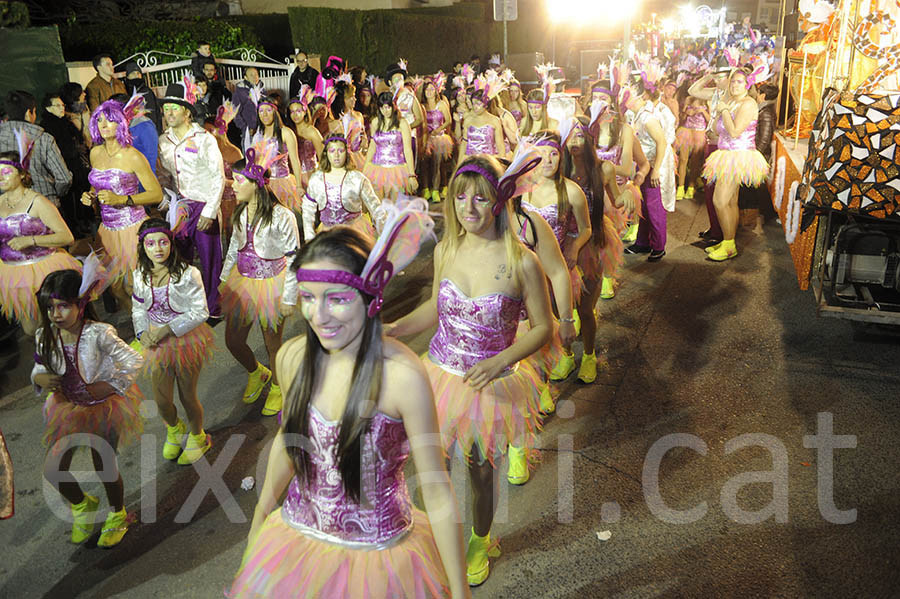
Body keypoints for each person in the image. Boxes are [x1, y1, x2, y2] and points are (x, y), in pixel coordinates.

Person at [230, 208, 470, 599]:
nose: (319, 315)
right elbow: (289, 442)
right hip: (296, 545)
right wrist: (261, 517)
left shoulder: (402, 378)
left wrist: (460, 593)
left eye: (336, 299)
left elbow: (437, 487)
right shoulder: (292, 359)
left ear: (369, 296)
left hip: (378, 563)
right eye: (308, 297)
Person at [387, 155, 552, 586]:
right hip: (439, 375)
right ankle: (440, 538)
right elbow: (437, 309)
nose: (468, 208)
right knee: (429, 469)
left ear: (499, 202)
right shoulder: (447, 248)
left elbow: (544, 328)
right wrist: (395, 328)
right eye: (460, 197)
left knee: (481, 473)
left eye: (480, 198)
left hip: (490, 386)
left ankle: (482, 538)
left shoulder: (523, 262)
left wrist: (503, 359)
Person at [33, 267, 143, 548]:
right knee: (53, 469)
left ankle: (118, 515)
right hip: (67, 408)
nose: (55, 314)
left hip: (103, 407)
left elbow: (133, 361)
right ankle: (83, 506)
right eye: (50, 308)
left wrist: (109, 385)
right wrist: (40, 377)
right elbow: (39, 367)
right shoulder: (45, 336)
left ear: (81, 305)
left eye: (63, 306)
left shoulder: (99, 333)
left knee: (103, 465)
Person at [220, 153, 300, 417]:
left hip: (270, 284)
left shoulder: (282, 216)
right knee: (233, 340)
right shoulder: (240, 212)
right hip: (242, 282)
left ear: (255, 183)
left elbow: (294, 257)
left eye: (238, 180)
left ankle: (278, 386)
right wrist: (223, 279)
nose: (232, 185)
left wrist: (289, 297)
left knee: (272, 342)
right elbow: (233, 248)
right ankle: (258, 372)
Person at [132, 218, 214, 465]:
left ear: (171, 244)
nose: (158, 248)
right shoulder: (139, 275)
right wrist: (141, 333)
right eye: (151, 244)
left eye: (163, 242)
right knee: (162, 400)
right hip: (156, 344)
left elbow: (201, 312)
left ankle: (199, 436)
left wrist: (168, 329)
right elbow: (138, 309)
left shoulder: (189, 274)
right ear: (143, 247)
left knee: (187, 396)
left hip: (186, 340)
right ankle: (174, 428)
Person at [519, 132, 593, 388]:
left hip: (557, 267)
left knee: (565, 320)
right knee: (532, 328)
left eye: (554, 154)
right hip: (527, 270)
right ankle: (544, 380)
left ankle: (578, 356)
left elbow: (586, 228)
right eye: (542, 154)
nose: (548, 160)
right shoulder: (521, 190)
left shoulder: (571, 191)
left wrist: (574, 247)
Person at [80, 98, 162, 312]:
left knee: (135, 287)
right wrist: (90, 196)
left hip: (131, 229)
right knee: (115, 289)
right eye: (99, 121)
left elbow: (156, 194)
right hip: (107, 231)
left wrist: (121, 200)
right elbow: (96, 185)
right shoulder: (95, 153)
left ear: (121, 123)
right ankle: (139, 328)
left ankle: (152, 330)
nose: (104, 125)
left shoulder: (132, 156)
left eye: (110, 120)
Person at [562, 116, 624, 382]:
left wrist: (630, 195)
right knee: (561, 310)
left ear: (589, 139)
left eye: (580, 136)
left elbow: (617, 199)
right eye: (570, 136)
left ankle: (588, 356)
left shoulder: (603, 169)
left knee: (586, 310)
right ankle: (565, 356)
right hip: (562, 245)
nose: (574, 142)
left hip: (594, 244)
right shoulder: (558, 171)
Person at [158, 82, 225, 317]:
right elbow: (164, 176)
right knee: (180, 258)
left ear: (186, 111)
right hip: (180, 207)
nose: (169, 113)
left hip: (204, 204)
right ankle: (188, 305)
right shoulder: (163, 141)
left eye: (174, 108)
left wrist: (210, 210)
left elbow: (219, 176)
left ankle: (213, 306)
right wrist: (166, 202)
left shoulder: (204, 139)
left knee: (210, 259)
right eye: (166, 109)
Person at [0, 145, 80, 336]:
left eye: (5, 172)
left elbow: (67, 236)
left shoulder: (38, 202)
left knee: (56, 325)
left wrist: (32, 240)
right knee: (31, 329)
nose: (0, 177)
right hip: (12, 273)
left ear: (21, 174)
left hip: (42, 270)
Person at [702, 68, 769, 261]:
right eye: (733, 81)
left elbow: (734, 132)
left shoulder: (748, 104)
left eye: (739, 81)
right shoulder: (731, 101)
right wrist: (717, 112)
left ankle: (729, 244)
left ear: (748, 84)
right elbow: (717, 129)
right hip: (725, 154)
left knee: (719, 201)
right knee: (730, 202)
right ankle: (727, 242)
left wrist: (722, 110)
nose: (734, 85)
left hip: (738, 156)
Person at [621, 77, 674, 262]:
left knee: (654, 207)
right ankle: (643, 242)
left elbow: (662, 142)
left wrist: (656, 169)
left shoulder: (648, 118)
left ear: (639, 96)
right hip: (641, 164)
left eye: (626, 94)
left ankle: (658, 246)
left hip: (652, 164)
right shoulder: (633, 114)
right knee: (641, 204)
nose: (623, 97)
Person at [302, 133, 385, 240]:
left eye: (340, 151)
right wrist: (309, 236)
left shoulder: (356, 179)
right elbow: (308, 208)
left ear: (346, 153)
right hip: (328, 234)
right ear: (326, 154)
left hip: (354, 233)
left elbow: (375, 207)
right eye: (332, 151)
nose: (336, 155)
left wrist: (383, 234)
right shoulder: (317, 179)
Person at [0, 90, 72, 207]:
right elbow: (64, 178)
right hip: (45, 207)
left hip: (7, 211)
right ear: (29, 113)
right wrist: (54, 194)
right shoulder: (44, 139)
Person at [39, 93, 93, 237]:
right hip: (61, 168)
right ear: (48, 108)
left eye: (63, 105)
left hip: (75, 165)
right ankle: (73, 229)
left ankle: (82, 222)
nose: (62, 108)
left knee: (78, 196)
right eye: (57, 105)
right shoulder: (46, 127)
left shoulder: (65, 122)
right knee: (67, 201)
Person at [363, 91, 417, 202]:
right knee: (378, 206)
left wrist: (412, 175)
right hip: (377, 169)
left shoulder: (402, 123)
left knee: (394, 206)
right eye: (382, 108)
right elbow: (372, 146)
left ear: (393, 106)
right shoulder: (375, 122)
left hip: (397, 169)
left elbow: (407, 149)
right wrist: (364, 170)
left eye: (388, 107)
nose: (385, 111)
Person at [253, 95, 303, 212]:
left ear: (275, 112)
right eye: (261, 111)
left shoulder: (285, 132)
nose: (264, 114)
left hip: (283, 183)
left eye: (268, 110)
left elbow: (295, 161)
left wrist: (299, 185)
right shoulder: (258, 135)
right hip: (264, 184)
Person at [419, 77, 453, 202]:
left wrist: (439, 129)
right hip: (426, 139)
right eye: (427, 89)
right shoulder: (422, 106)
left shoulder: (442, 104)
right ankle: (426, 189)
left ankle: (435, 190)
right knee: (424, 164)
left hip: (439, 138)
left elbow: (448, 120)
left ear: (436, 91)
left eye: (432, 89)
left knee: (437, 165)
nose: (429, 91)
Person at [457, 86, 506, 164]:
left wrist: (499, 163)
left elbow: (500, 147)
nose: (475, 107)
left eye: (478, 104)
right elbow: (464, 144)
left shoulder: (495, 121)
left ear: (486, 104)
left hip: (488, 162)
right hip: (470, 161)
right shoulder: (468, 120)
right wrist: (459, 164)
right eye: (473, 103)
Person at [286, 94, 324, 193]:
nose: (295, 115)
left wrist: (320, 177)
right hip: (294, 176)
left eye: (298, 111)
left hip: (311, 174)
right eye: (292, 112)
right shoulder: (289, 132)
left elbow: (323, 156)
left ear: (305, 112)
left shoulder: (312, 131)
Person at [674, 94, 709, 201]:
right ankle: (680, 188)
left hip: (699, 133)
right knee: (683, 160)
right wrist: (685, 111)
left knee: (695, 162)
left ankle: (691, 187)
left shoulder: (706, 100)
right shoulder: (688, 99)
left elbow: (710, 119)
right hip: (686, 131)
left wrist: (702, 111)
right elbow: (682, 119)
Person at [123, 61, 161, 132]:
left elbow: (153, 114)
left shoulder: (147, 91)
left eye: (138, 73)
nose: (136, 75)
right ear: (128, 76)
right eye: (133, 73)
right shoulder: (125, 92)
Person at [232, 67, 265, 138]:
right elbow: (235, 114)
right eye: (251, 75)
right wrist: (245, 128)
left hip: (263, 129)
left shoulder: (262, 91)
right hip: (249, 132)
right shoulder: (239, 93)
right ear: (245, 77)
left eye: (256, 74)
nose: (254, 77)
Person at [60, 82, 92, 148]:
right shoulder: (68, 116)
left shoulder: (86, 107)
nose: (85, 94)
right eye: (82, 92)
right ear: (75, 95)